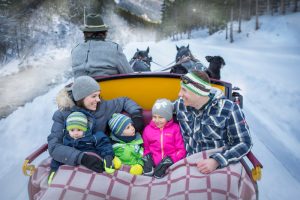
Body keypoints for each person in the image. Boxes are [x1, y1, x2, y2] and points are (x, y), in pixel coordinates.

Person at [47, 76, 144, 178]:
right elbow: (53, 146)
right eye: (93, 96)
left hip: (99, 154)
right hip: (72, 157)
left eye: (98, 95)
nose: (98, 100)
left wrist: (136, 115)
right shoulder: (63, 114)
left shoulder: (103, 107)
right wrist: (82, 158)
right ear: (81, 97)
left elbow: (124, 101)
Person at [174, 70, 252, 174]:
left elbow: (244, 142)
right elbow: (162, 110)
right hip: (188, 162)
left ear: (198, 93)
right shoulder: (180, 104)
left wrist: (217, 161)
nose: (179, 94)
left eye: (184, 90)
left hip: (219, 166)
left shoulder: (229, 109)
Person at [48, 111, 119, 184]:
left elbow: (104, 144)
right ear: (67, 130)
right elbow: (60, 156)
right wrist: (54, 169)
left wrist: (108, 156)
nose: (75, 133)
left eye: (79, 129)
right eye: (72, 130)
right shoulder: (66, 140)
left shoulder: (93, 137)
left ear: (85, 128)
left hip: (93, 163)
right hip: (74, 166)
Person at [71, 14, 134, 78]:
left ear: (85, 33)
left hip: (80, 86)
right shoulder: (114, 48)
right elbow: (129, 75)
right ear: (103, 32)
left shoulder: (75, 50)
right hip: (106, 87)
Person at [142, 99, 186, 179]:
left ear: (168, 117)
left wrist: (170, 160)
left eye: (161, 117)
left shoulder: (175, 129)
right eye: (154, 117)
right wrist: (147, 159)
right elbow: (146, 148)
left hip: (172, 165)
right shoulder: (147, 130)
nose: (157, 120)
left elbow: (181, 150)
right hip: (154, 166)